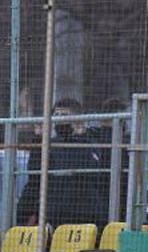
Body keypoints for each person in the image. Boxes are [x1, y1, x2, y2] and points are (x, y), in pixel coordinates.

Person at [17, 98, 106, 228]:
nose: (59, 119)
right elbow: (35, 178)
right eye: (56, 115)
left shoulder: (90, 143)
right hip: (55, 215)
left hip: (84, 214)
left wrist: (80, 139)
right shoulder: (51, 145)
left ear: (77, 120)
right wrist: (38, 142)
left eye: (64, 115)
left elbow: (88, 173)